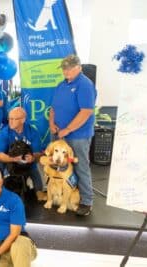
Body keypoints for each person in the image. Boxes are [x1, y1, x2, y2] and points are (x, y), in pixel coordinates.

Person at [49, 54, 97, 216]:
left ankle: (86, 201)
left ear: (79, 67)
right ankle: (59, 194)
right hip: (59, 134)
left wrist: (68, 129)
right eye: (64, 68)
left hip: (78, 135)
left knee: (80, 166)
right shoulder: (61, 85)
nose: (66, 71)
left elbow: (86, 112)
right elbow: (53, 108)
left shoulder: (85, 85)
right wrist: (52, 124)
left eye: (70, 68)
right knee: (56, 164)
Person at [0, 168, 37, 267]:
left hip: (19, 244)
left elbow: (14, 234)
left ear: (1, 182)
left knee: (19, 244)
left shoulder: (14, 200)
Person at [0, 107, 45, 201]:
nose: (11, 122)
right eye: (10, 119)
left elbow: (38, 153)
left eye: (14, 119)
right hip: (10, 161)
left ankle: (38, 189)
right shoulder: (4, 132)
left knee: (40, 195)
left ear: (23, 120)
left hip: (27, 163)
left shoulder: (32, 132)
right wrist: (13, 159)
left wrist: (33, 157)